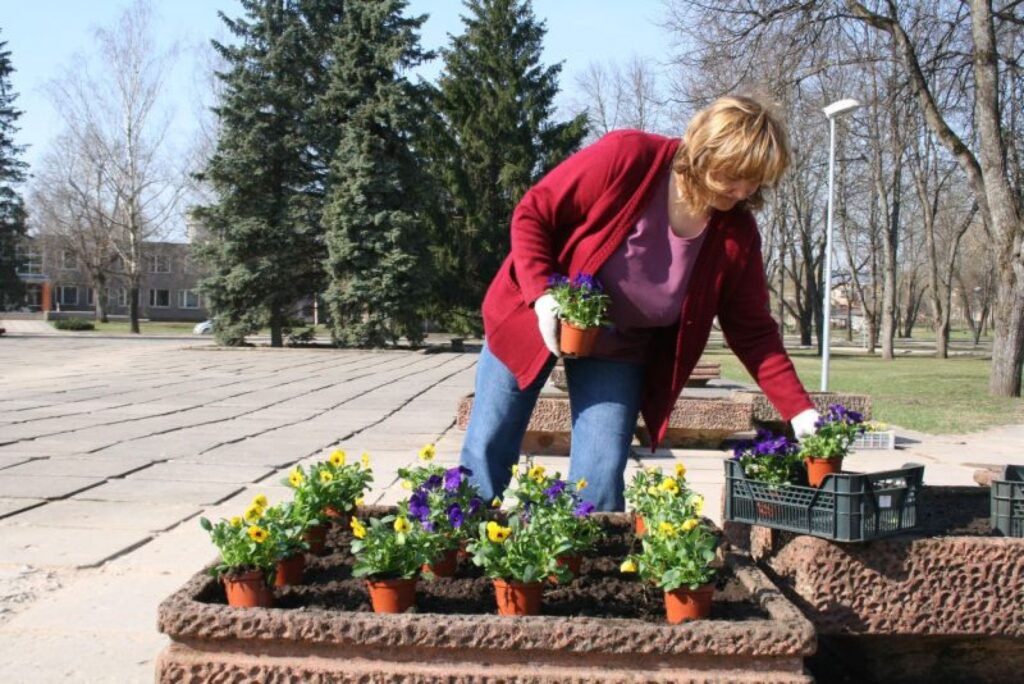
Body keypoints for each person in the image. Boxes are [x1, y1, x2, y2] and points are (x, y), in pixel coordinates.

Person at [460, 95, 820, 511]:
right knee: (488, 445)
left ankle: (579, 566)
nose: (742, 191)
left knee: (599, 474)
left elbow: (753, 329)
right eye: (733, 176)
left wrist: (799, 412)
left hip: (620, 346)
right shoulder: (628, 157)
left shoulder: (736, 232)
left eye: (754, 181)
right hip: (531, 311)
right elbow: (533, 212)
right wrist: (542, 294)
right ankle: (459, 540)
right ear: (703, 153)